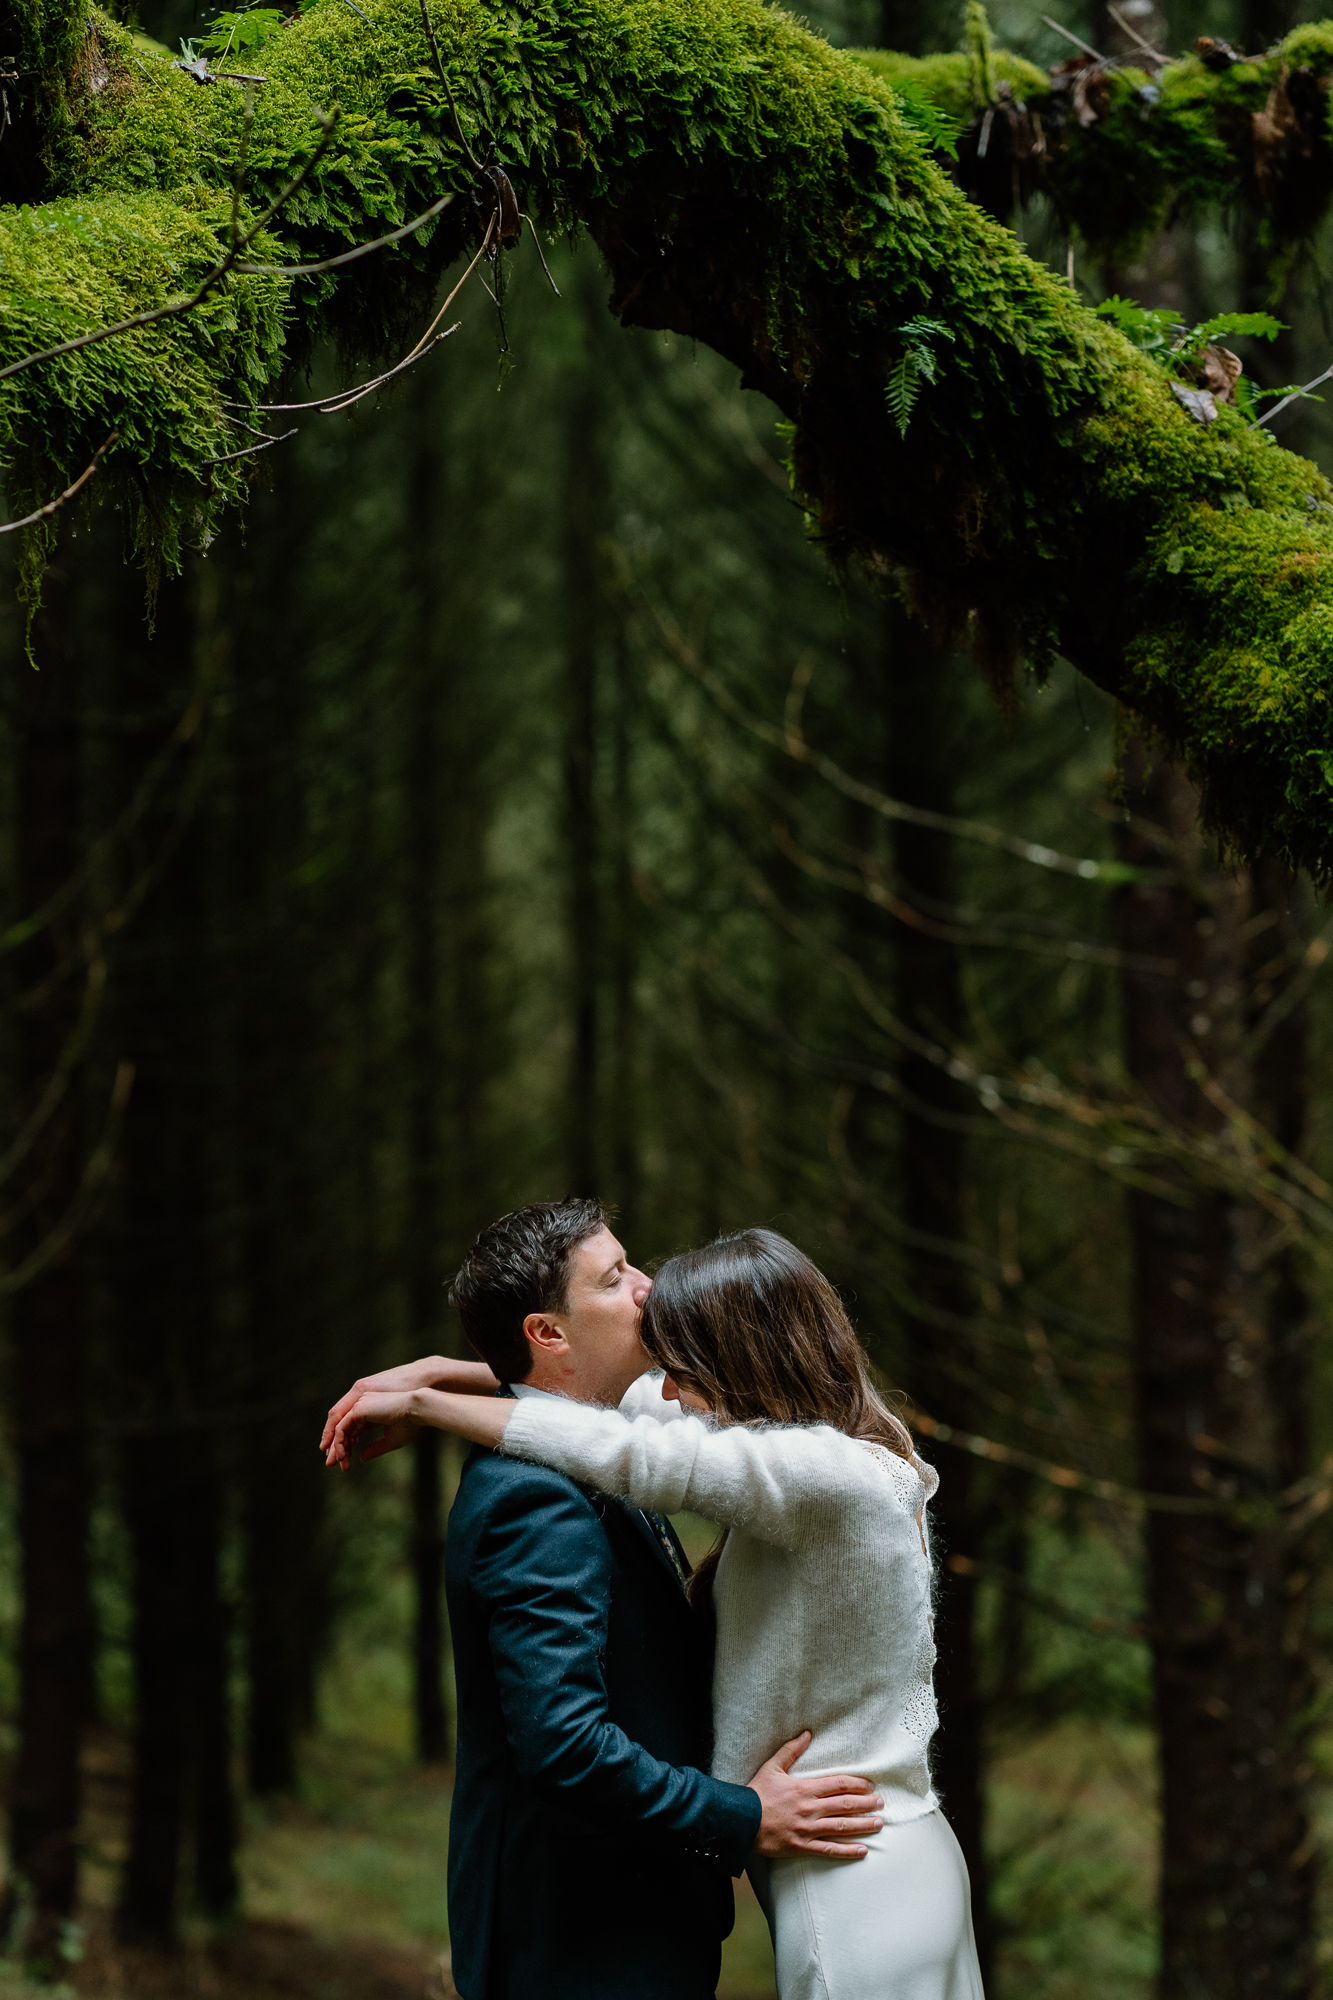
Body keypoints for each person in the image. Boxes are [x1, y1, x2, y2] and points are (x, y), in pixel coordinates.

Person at [327, 1220, 984, 2000]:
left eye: (685, 1366)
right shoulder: (543, 1496)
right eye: (612, 1278)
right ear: (545, 1331)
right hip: (613, 1926)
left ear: (739, 1366)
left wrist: (437, 1400)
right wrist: (466, 1376)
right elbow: (563, 1740)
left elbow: (645, 1448)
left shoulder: (820, 1473)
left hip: (852, 1867)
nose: (644, 1286)